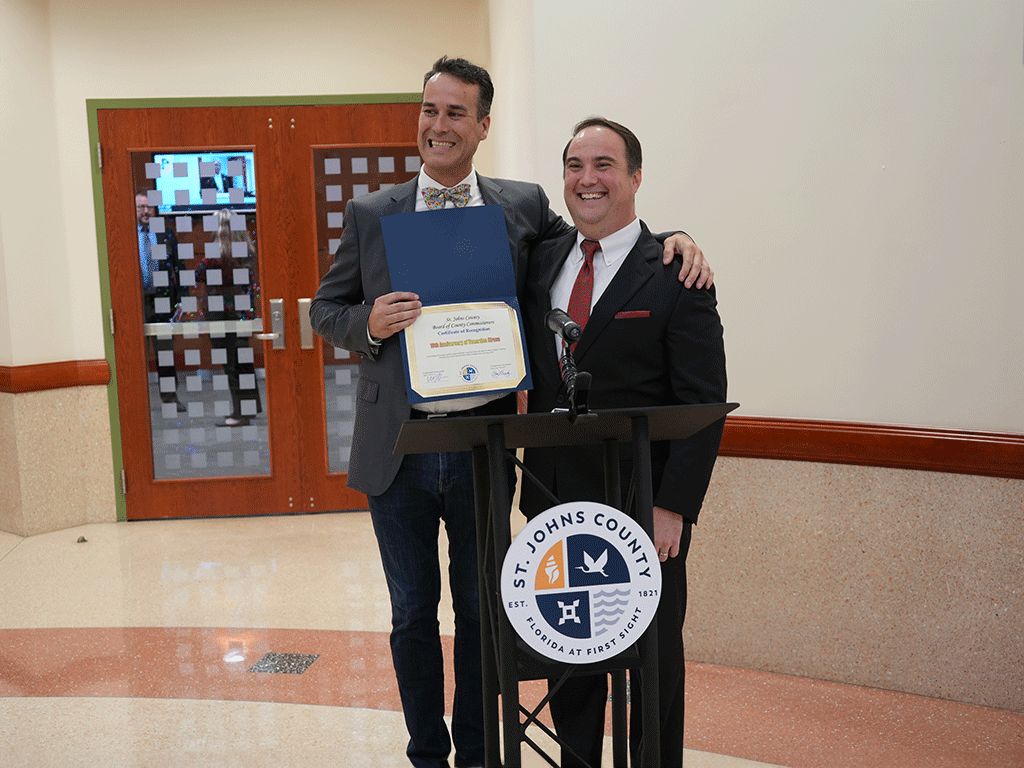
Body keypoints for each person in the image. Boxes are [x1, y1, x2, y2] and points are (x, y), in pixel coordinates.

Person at [309, 57, 713, 768]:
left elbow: (606, 231)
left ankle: (479, 757)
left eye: (456, 113)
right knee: (410, 615)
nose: (440, 125)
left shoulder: (520, 207)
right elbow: (326, 309)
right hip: (396, 449)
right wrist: (367, 325)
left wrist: (676, 237)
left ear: (482, 125)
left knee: (480, 616)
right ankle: (427, 753)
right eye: (430, 111)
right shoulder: (372, 214)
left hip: (484, 450)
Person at [518, 117, 728, 767]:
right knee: (571, 661)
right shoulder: (543, 261)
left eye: (605, 165)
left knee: (653, 665)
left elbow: (703, 404)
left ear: (635, 177)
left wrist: (674, 506)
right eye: (575, 166)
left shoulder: (674, 272)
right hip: (557, 506)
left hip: (644, 507)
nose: (588, 179)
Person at [195, 209, 262, 427]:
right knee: (243, 362)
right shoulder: (246, 252)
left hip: (221, 313)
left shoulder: (216, 256)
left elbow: (198, 273)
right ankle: (249, 408)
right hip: (242, 312)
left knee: (231, 365)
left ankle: (239, 413)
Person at [136, 192, 185, 412]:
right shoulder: (128, 235)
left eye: (148, 207)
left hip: (163, 300)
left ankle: (170, 397)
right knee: (137, 353)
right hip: (136, 302)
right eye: (140, 207)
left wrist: (183, 300)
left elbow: (179, 267)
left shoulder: (166, 234)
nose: (145, 212)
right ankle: (139, 400)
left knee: (165, 352)